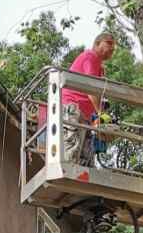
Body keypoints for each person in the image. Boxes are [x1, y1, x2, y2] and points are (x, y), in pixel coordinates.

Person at [37, 32, 116, 165]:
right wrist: (100, 113)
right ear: (97, 43)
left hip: (84, 114)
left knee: (83, 155)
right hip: (72, 107)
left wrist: (98, 116)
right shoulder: (90, 56)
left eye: (113, 46)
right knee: (70, 149)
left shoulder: (99, 67)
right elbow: (90, 88)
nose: (112, 48)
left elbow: (98, 94)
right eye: (108, 43)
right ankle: (66, 167)